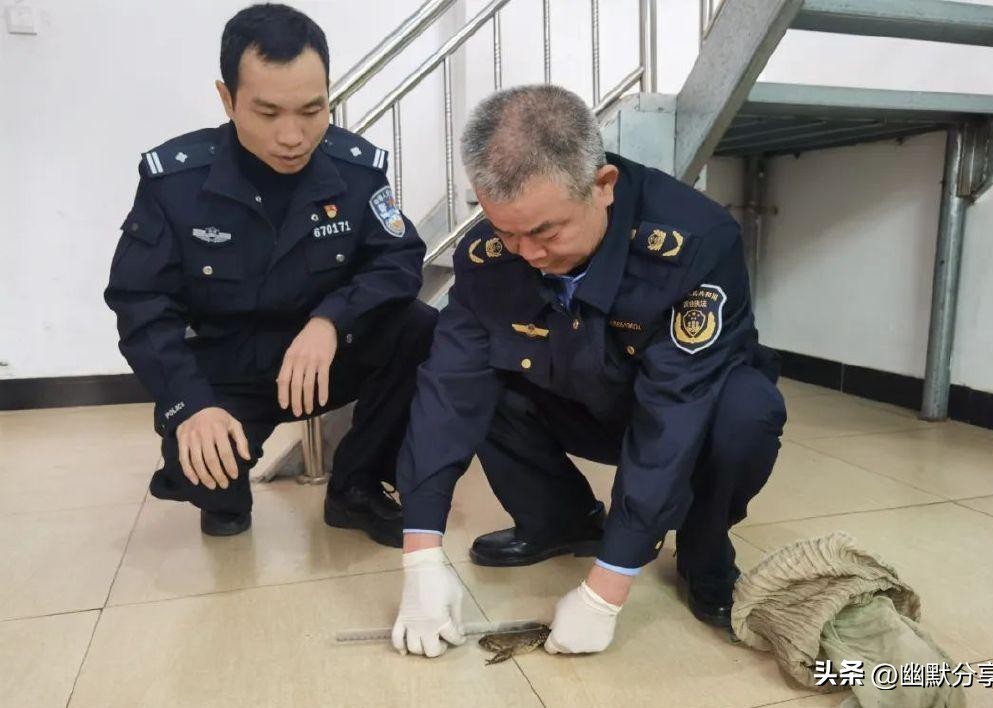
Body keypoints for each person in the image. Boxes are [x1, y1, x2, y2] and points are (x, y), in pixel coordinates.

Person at [390, 85, 787, 658]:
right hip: (575, 395)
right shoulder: (490, 256)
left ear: (603, 186)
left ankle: (703, 545)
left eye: (546, 232)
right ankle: (559, 521)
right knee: (475, 374)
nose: (526, 253)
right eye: (505, 231)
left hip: (677, 408)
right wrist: (421, 555)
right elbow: (449, 390)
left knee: (747, 411)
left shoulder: (694, 241)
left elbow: (673, 413)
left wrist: (607, 589)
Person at [104, 3, 434, 544]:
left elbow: (398, 260)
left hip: (324, 359)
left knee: (421, 329)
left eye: (312, 110)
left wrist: (331, 320)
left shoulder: (355, 170)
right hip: (232, 369)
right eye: (268, 113)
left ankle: (356, 486)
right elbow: (140, 303)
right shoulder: (176, 183)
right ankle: (224, 490)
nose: (293, 135)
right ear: (227, 99)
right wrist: (190, 405)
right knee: (205, 478)